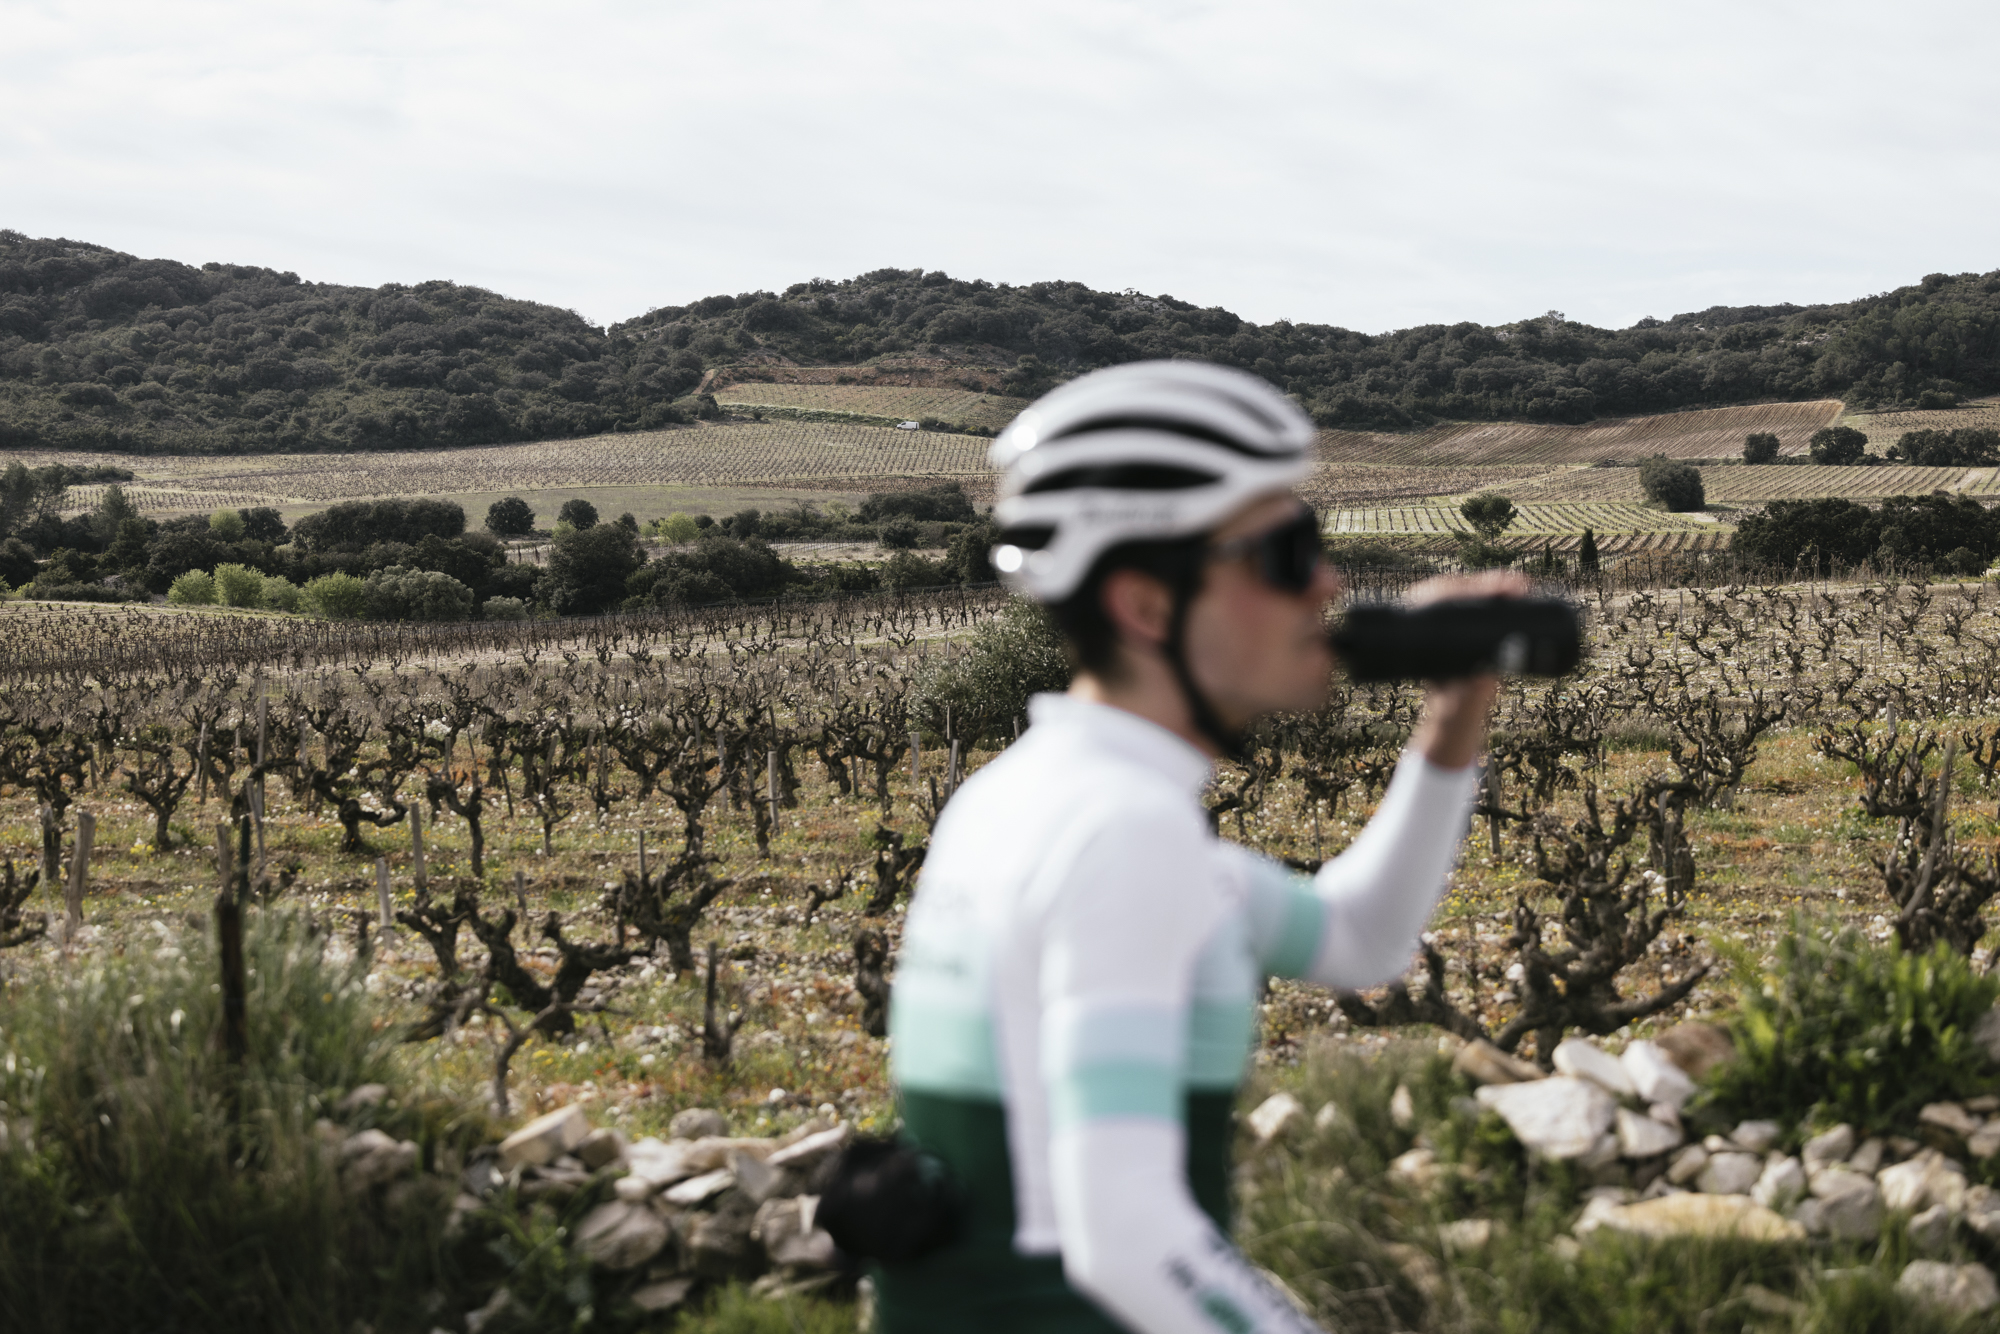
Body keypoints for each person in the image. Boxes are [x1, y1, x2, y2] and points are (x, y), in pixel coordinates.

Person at [879, 360, 1522, 1333]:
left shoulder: (1022, 797)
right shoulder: (1120, 833)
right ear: (1144, 606)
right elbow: (1125, 1232)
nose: (1326, 581)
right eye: (1282, 552)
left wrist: (1449, 725)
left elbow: (1358, 936)